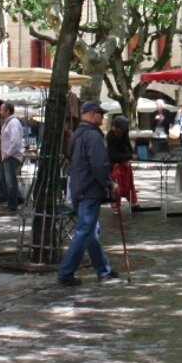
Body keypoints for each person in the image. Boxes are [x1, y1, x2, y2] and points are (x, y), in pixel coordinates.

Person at [57, 100, 119, 286]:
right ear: (92, 114)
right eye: (100, 114)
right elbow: (99, 164)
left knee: (90, 231)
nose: (103, 117)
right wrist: (110, 183)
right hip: (89, 189)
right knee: (85, 230)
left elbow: (70, 156)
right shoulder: (93, 135)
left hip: (78, 187)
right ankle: (66, 272)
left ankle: (103, 268)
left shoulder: (77, 134)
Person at [107, 114, 138, 211]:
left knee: (129, 182)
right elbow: (113, 155)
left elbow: (127, 142)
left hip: (124, 160)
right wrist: (129, 156)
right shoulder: (110, 137)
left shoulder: (124, 131)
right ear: (114, 127)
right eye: (119, 131)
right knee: (117, 183)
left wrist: (131, 153)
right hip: (114, 162)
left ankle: (133, 201)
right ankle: (116, 203)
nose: (121, 133)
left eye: (123, 131)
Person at [0, 101, 23, 211]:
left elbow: (15, 141)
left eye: (2, 110)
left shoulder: (13, 123)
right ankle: (17, 198)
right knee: (5, 179)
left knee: (10, 182)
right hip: (7, 156)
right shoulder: (8, 123)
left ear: (7, 111)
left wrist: (8, 153)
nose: (0, 112)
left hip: (11, 156)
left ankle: (12, 205)